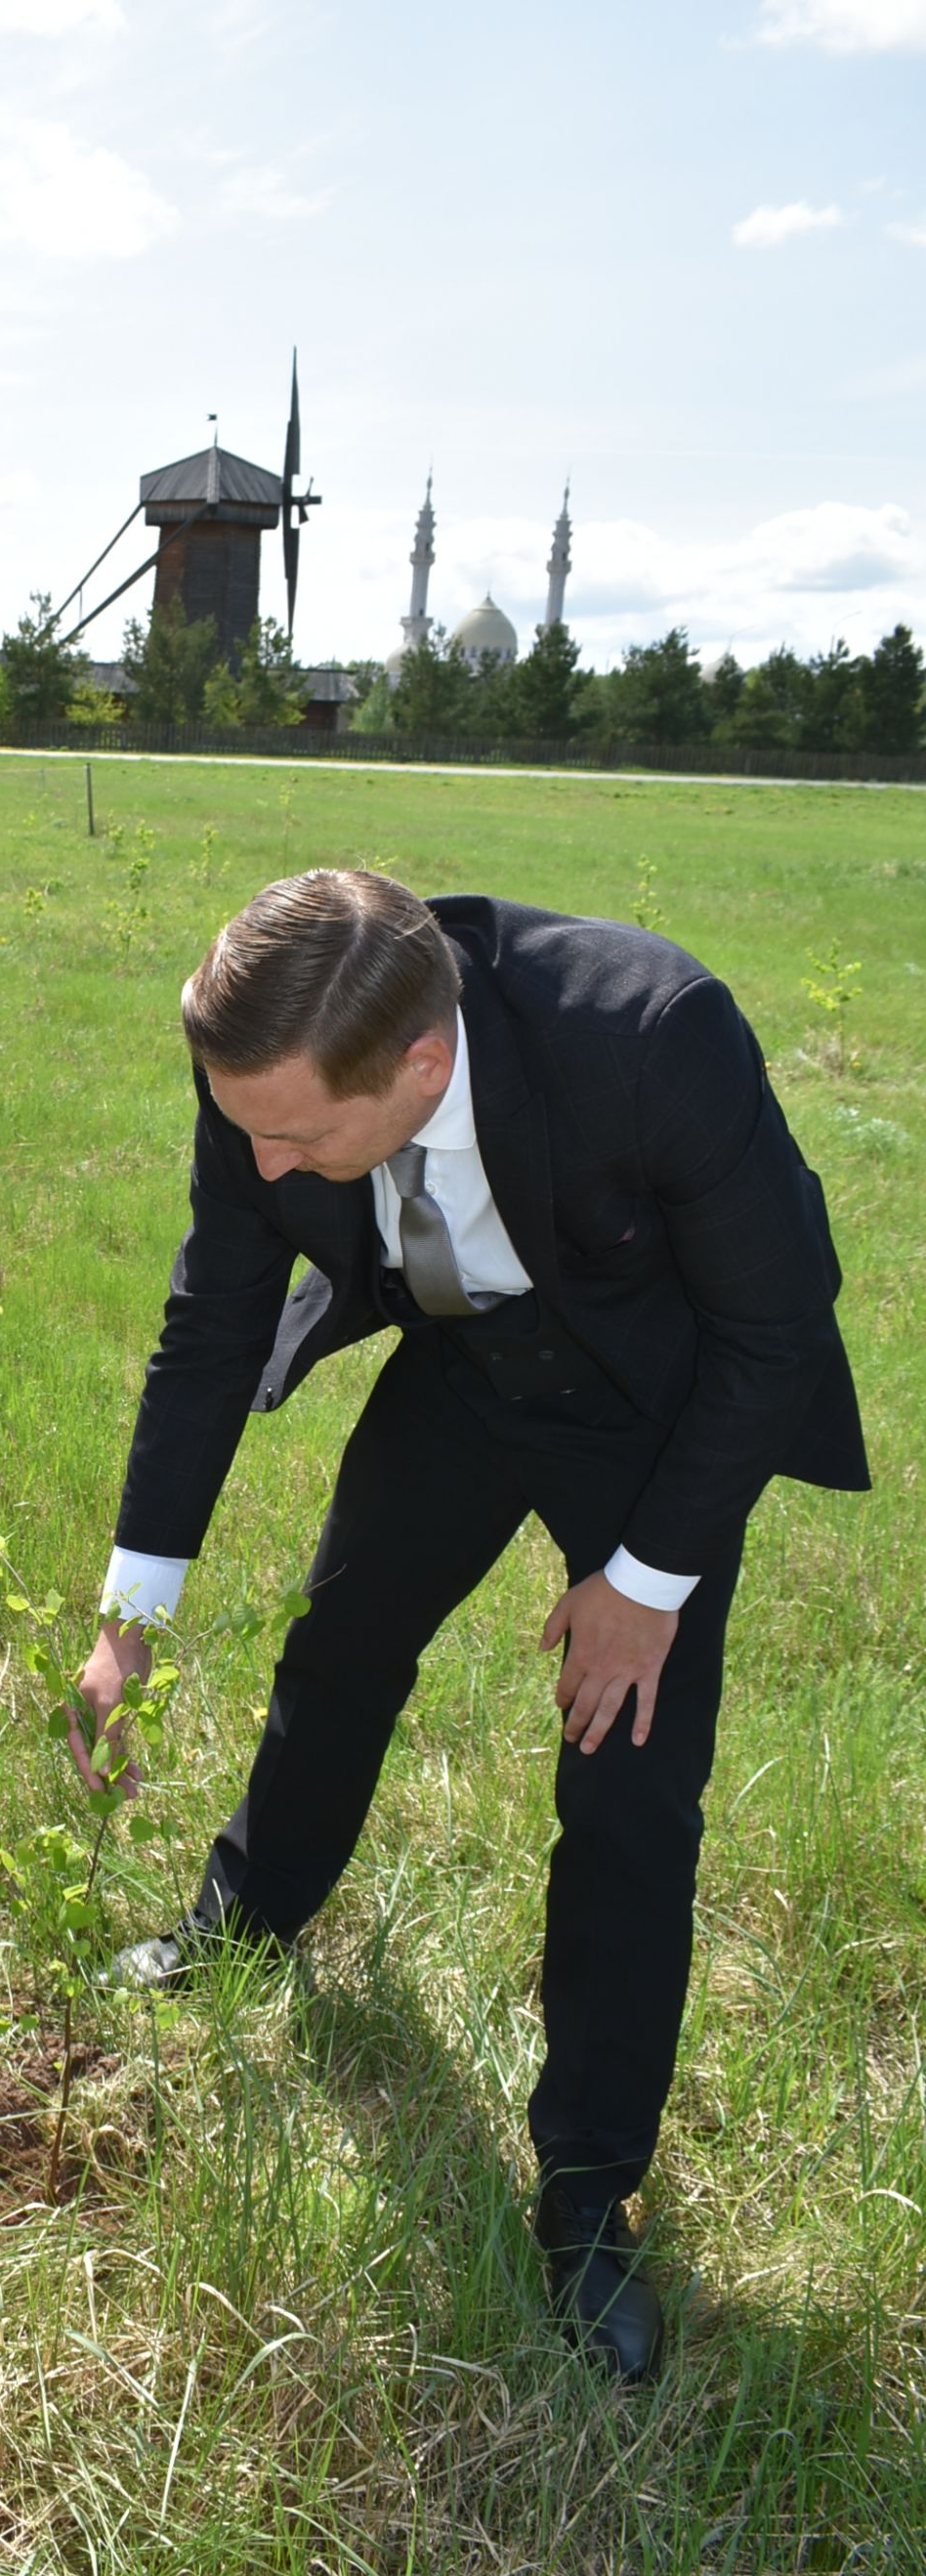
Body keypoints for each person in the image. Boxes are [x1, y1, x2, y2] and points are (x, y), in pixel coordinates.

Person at [76, 871, 865, 2378]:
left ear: (423, 1065)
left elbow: (776, 1334)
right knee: (342, 1641)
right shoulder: (270, 1063)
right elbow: (212, 1315)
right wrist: (134, 1614)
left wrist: (642, 1586)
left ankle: (584, 2192)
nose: (263, 1158)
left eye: (297, 1136)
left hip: (656, 1400)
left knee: (631, 1784)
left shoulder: (652, 1033)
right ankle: (245, 1915)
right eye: (246, 1125)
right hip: (461, 1361)